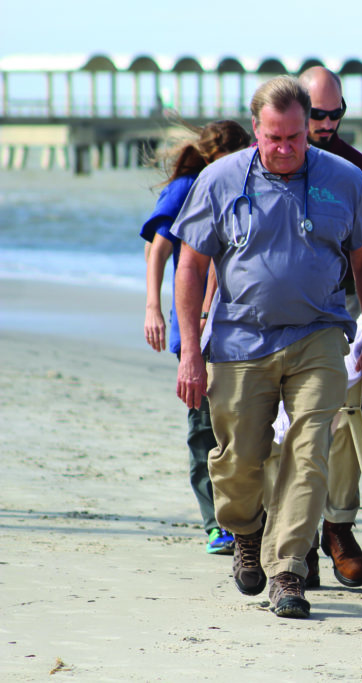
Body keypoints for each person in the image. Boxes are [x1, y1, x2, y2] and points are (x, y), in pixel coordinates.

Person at [172, 76, 362, 620]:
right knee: (239, 458)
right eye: (276, 138)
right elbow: (192, 265)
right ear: (256, 130)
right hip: (239, 340)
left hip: (318, 333)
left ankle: (288, 569)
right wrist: (190, 353)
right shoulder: (221, 180)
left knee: (311, 448)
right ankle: (245, 530)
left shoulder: (343, 179)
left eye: (296, 137)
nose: (288, 148)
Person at [139, 119, 250, 555]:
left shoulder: (248, 183)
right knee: (204, 426)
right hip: (196, 329)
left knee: (241, 425)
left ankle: (245, 518)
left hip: (240, 326)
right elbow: (159, 248)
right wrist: (152, 307)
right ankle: (216, 524)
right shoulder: (189, 187)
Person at [292, 65, 362, 590]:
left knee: (343, 422)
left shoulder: (355, 168)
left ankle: (338, 527)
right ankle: (297, 543)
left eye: (335, 113)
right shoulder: (267, 161)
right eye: (317, 114)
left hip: (339, 306)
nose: (327, 123)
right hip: (280, 310)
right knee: (289, 430)